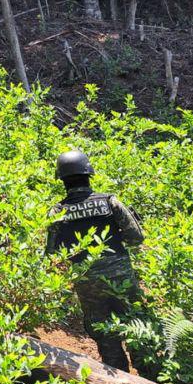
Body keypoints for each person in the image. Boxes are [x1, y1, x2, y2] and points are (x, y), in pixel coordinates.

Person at [45, 149, 144, 372]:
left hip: (87, 281)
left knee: (105, 334)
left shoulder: (58, 211)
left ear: (62, 180)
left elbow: (52, 253)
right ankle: (152, 379)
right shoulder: (110, 202)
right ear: (89, 173)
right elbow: (136, 238)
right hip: (122, 278)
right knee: (137, 326)